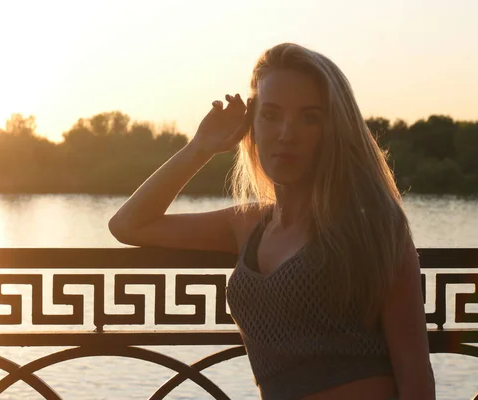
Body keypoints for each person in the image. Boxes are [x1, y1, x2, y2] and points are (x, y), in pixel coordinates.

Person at [109, 42, 435, 400]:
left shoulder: (372, 224)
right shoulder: (249, 225)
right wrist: (200, 147)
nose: (286, 134)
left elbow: (415, 376)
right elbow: (128, 225)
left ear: (334, 129)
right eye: (271, 115)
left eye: (309, 117)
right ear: (252, 125)